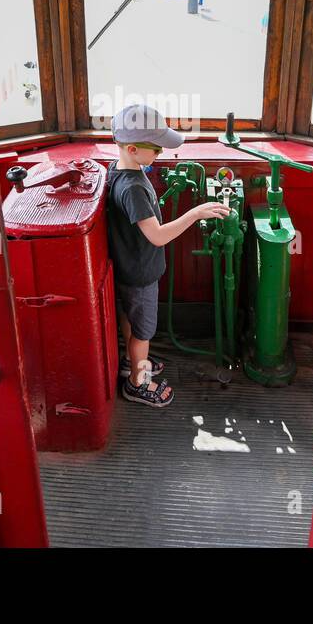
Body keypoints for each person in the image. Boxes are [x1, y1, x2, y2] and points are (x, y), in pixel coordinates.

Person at [106, 104, 233, 407]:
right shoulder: (133, 188)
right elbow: (158, 235)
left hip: (129, 269)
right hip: (141, 274)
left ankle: (131, 360)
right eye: (157, 149)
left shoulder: (120, 170)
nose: (160, 154)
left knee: (133, 323)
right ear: (134, 148)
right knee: (144, 332)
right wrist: (196, 212)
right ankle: (137, 383)